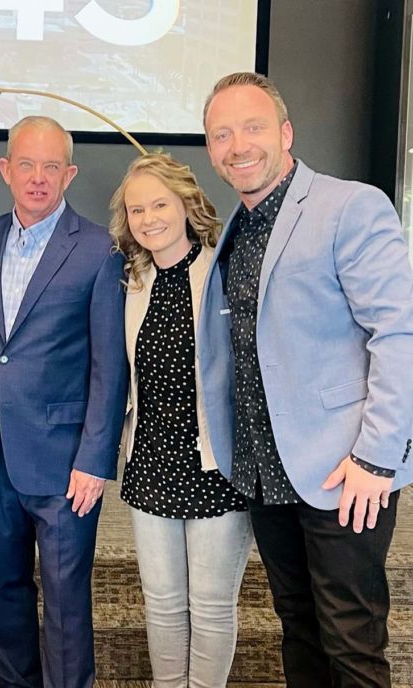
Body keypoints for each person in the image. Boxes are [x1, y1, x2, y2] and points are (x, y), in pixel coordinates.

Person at [197, 71, 413, 687]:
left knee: (352, 643)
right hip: (265, 472)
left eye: (253, 126)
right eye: (221, 134)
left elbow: (399, 335)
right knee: (298, 627)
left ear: (286, 132)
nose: (238, 144)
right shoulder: (237, 228)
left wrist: (376, 459)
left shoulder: (350, 206)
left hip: (345, 470)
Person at [0, 115, 128, 688]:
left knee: (65, 602)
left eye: (51, 166)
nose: (37, 178)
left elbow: (109, 366)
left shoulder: (100, 249)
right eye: (26, 164)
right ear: (6, 169)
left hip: (64, 463)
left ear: (70, 173)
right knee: (2, 591)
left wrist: (96, 460)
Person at [109, 153, 252, 687]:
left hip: (215, 464)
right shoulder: (132, 277)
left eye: (160, 204)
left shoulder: (224, 266)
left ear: (187, 203)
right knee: (163, 605)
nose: (149, 219)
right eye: (137, 209)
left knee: (211, 606)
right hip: (150, 463)